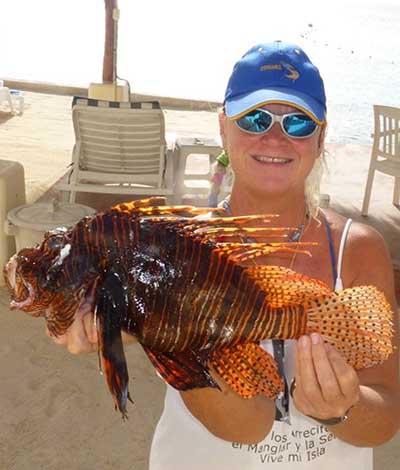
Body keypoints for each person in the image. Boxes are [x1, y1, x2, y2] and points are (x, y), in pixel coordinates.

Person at [48, 41, 400, 469]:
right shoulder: (172, 243)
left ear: (321, 137)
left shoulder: (358, 249)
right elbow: (245, 425)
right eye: (254, 118)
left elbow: (385, 416)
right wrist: (117, 322)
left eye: (298, 122)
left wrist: (343, 409)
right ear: (223, 127)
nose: (274, 136)